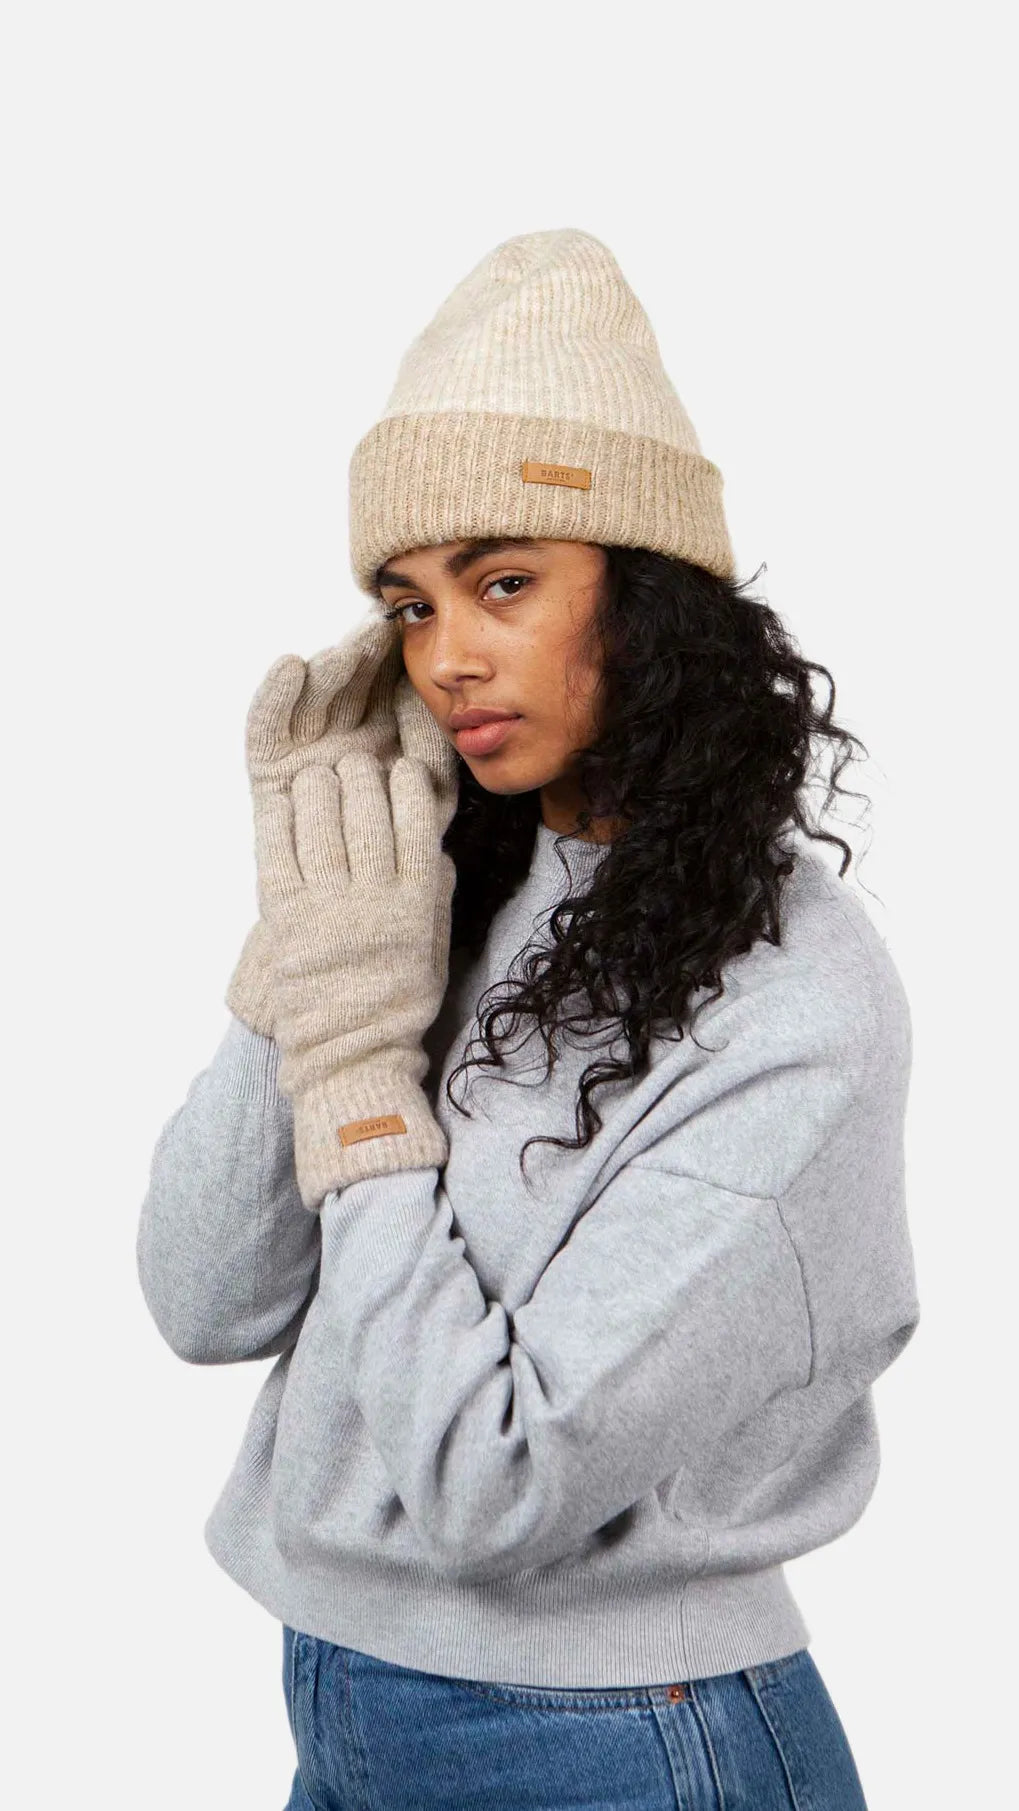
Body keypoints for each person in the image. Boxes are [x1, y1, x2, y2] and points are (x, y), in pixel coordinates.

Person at [136, 227, 920, 1810]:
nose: (448, 661)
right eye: (409, 606)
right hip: (339, 1707)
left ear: (647, 593)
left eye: (505, 583)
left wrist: (360, 1074)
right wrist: (309, 953)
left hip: (623, 1742)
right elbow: (205, 1297)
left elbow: (498, 1487)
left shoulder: (796, 1001)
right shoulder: (429, 901)